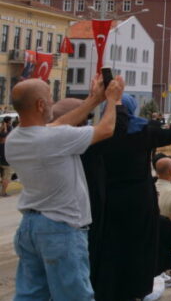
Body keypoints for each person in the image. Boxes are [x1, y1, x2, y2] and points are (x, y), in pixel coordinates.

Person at [6, 75, 122, 299]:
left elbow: (57, 125)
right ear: (40, 105)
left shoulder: (14, 139)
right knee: (74, 296)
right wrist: (112, 100)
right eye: (49, 97)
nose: (52, 101)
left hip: (30, 227)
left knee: (30, 295)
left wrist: (94, 100)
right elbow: (106, 129)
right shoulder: (54, 138)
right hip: (61, 228)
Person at [94, 91, 171, 300]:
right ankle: (136, 288)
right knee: (138, 245)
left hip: (110, 196)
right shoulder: (143, 131)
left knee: (112, 245)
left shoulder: (101, 133)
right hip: (139, 197)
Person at [0, 116, 12, 196]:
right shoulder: (7, 132)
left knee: (3, 176)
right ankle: (3, 192)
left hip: (1, 157)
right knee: (7, 176)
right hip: (5, 158)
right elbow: (5, 135)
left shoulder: (2, 129)